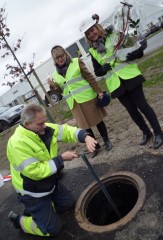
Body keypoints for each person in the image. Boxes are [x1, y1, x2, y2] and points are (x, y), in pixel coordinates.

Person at [7, 103, 97, 237]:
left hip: (50, 183)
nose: (44, 126)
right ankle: (21, 221)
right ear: (27, 124)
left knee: (68, 204)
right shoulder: (17, 143)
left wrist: (86, 136)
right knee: (53, 230)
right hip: (33, 192)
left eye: (44, 122)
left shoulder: (43, 129)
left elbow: (66, 131)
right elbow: (35, 172)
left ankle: (44, 209)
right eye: (40, 124)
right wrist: (60, 159)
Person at [79, 16, 163, 149]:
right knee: (132, 111)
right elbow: (97, 72)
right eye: (88, 33)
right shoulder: (93, 50)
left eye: (92, 30)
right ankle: (146, 133)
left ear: (98, 27)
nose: (91, 34)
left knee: (143, 106)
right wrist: (102, 69)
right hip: (116, 85)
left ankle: (158, 133)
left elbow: (135, 48)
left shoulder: (114, 35)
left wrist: (136, 54)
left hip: (130, 76)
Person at [51, 45, 112, 158]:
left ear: (65, 54)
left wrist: (98, 91)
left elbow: (89, 77)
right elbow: (61, 90)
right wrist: (53, 88)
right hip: (74, 103)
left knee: (98, 121)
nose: (60, 59)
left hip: (87, 98)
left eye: (61, 55)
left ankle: (106, 141)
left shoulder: (76, 62)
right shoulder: (55, 75)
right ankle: (95, 146)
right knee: (85, 126)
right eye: (57, 58)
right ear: (54, 60)